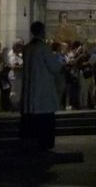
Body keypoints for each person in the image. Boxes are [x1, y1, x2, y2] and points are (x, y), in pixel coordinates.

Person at [19, 21, 62, 150]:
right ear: (42, 31)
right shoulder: (44, 48)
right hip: (43, 89)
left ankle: (30, 143)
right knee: (44, 120)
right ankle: (44, 144)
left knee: (31, 119)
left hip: (30, 89)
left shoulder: (27, 48)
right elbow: (54, 67)